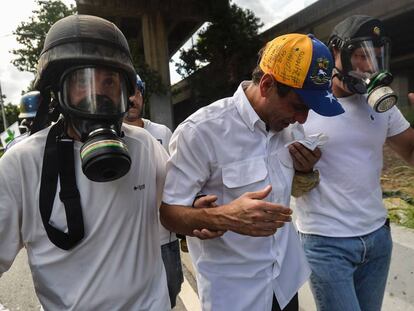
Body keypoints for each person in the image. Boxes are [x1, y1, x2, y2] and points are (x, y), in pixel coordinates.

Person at [160, 33, 344, 311]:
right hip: (235, 295)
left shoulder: (289, 126)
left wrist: (305, 172)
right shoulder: (201, 132)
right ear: (268, 84)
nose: (303, 119)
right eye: (299, 106)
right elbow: (169, 214)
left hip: (285, 283)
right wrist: (222, 216)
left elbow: (288, 189)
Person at [0, 15, 170, 310]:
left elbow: (176, 208)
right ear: (57, 93)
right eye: (82, 82)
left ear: (124, 93)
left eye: (109, 82)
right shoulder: (21, 163)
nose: (98, 95)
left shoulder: (145, 146)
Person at [295, 15, 414, 311]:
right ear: (335, 52)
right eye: (361, 56)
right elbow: (277, 177)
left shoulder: (381, 107)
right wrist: (301, 172)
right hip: (325, 243)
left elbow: (411, 153)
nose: (369, 67)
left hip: (377, 238)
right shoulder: (303, 106)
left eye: (377, 57)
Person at [124, 74, 183, 308]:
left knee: (169, 293)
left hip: (164, 238)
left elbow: (177, 180)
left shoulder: (162, 132)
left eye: (137, 92)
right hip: (130, 242)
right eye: (127, 93)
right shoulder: (107, 137)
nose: (132, 98)